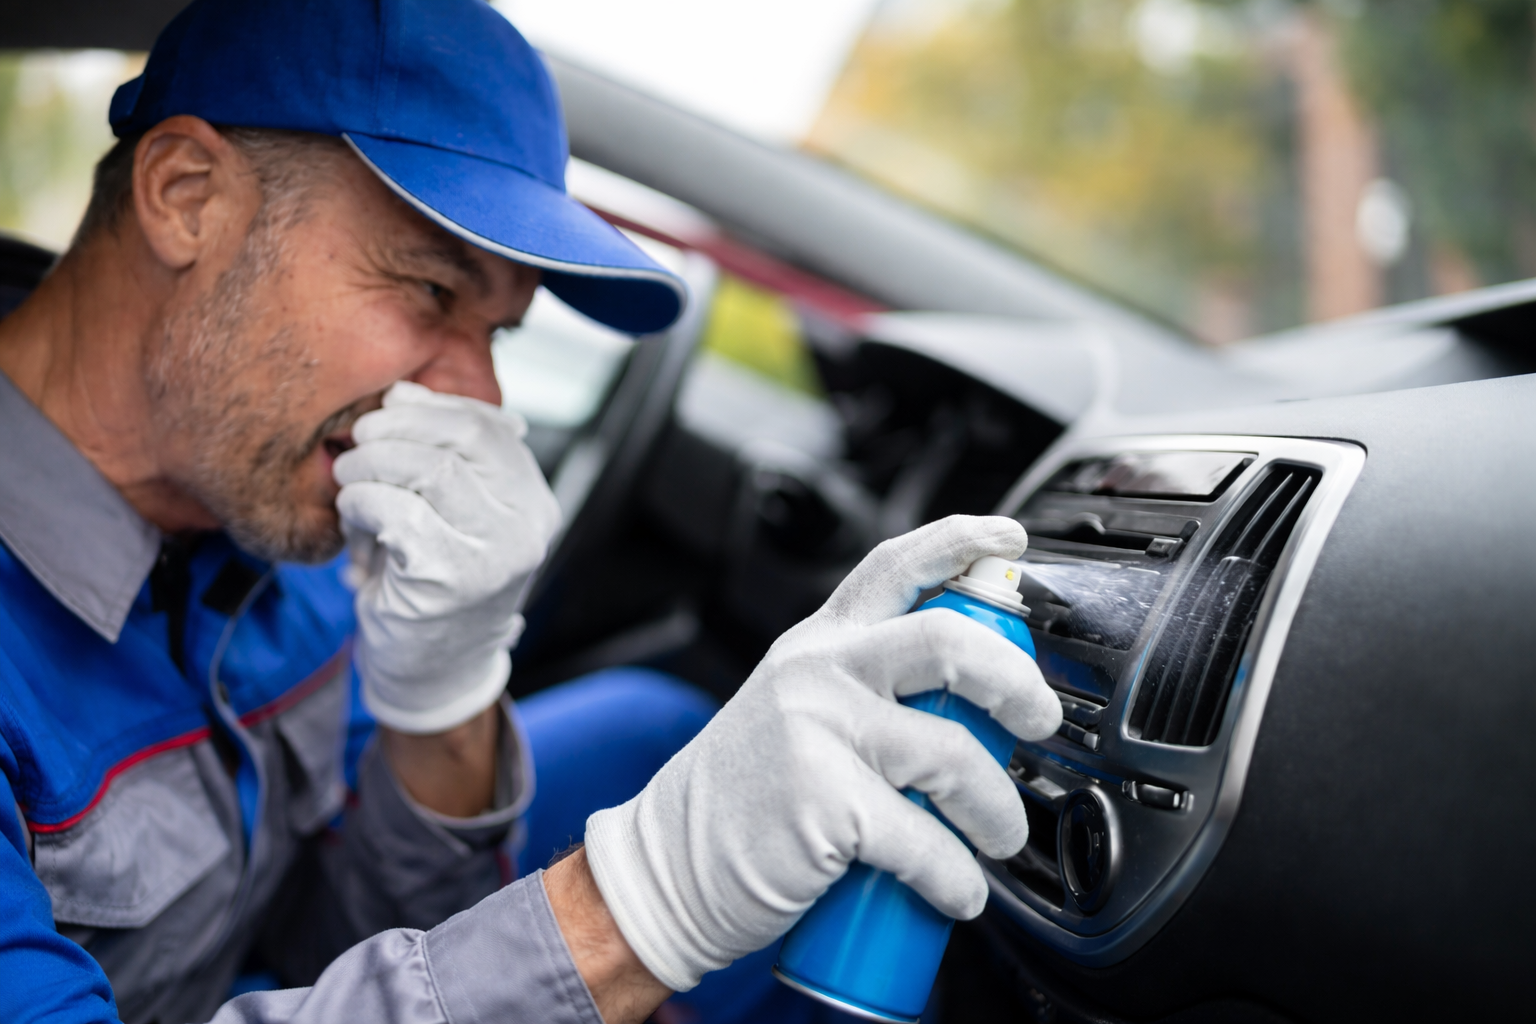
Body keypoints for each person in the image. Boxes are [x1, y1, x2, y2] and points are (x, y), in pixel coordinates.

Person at [0, 1, 1063, 1022]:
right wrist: (638, 907)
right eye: (427, 290)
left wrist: (445, 694)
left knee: (653, 726)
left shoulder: (266, 500)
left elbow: (369, 928)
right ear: (187, 196)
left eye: (499, 333)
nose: (479, 400)